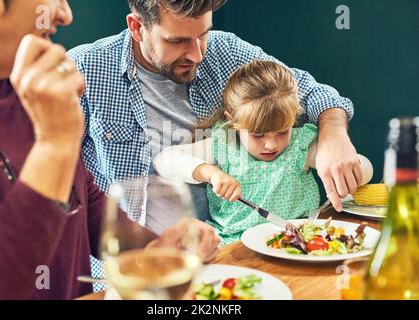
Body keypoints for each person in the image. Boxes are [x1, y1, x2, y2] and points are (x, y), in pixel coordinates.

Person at [0, 0, 219, 300]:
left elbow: (84, 201)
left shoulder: (23, 91)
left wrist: (153, 247)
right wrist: (55, 143)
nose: (64, 14)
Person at [68, 0, 362, 226]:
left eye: (203, 34)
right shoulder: (84, 69)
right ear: (136, 27)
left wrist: (334, 134)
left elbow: (310, 90)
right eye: (177, 40)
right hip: (124, 266)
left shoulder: (226, 51)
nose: (196, 54)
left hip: (212, 257)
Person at [154, 61, 373, 244]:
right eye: (258, 134)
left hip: (297, 241)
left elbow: (363, 166)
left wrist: (348, 169)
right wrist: (209, 173)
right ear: (233, 121)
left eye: (281, 131)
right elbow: (164, 160)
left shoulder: (300, 147)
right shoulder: (223, 145)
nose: (271, 145)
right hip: (233, 246)